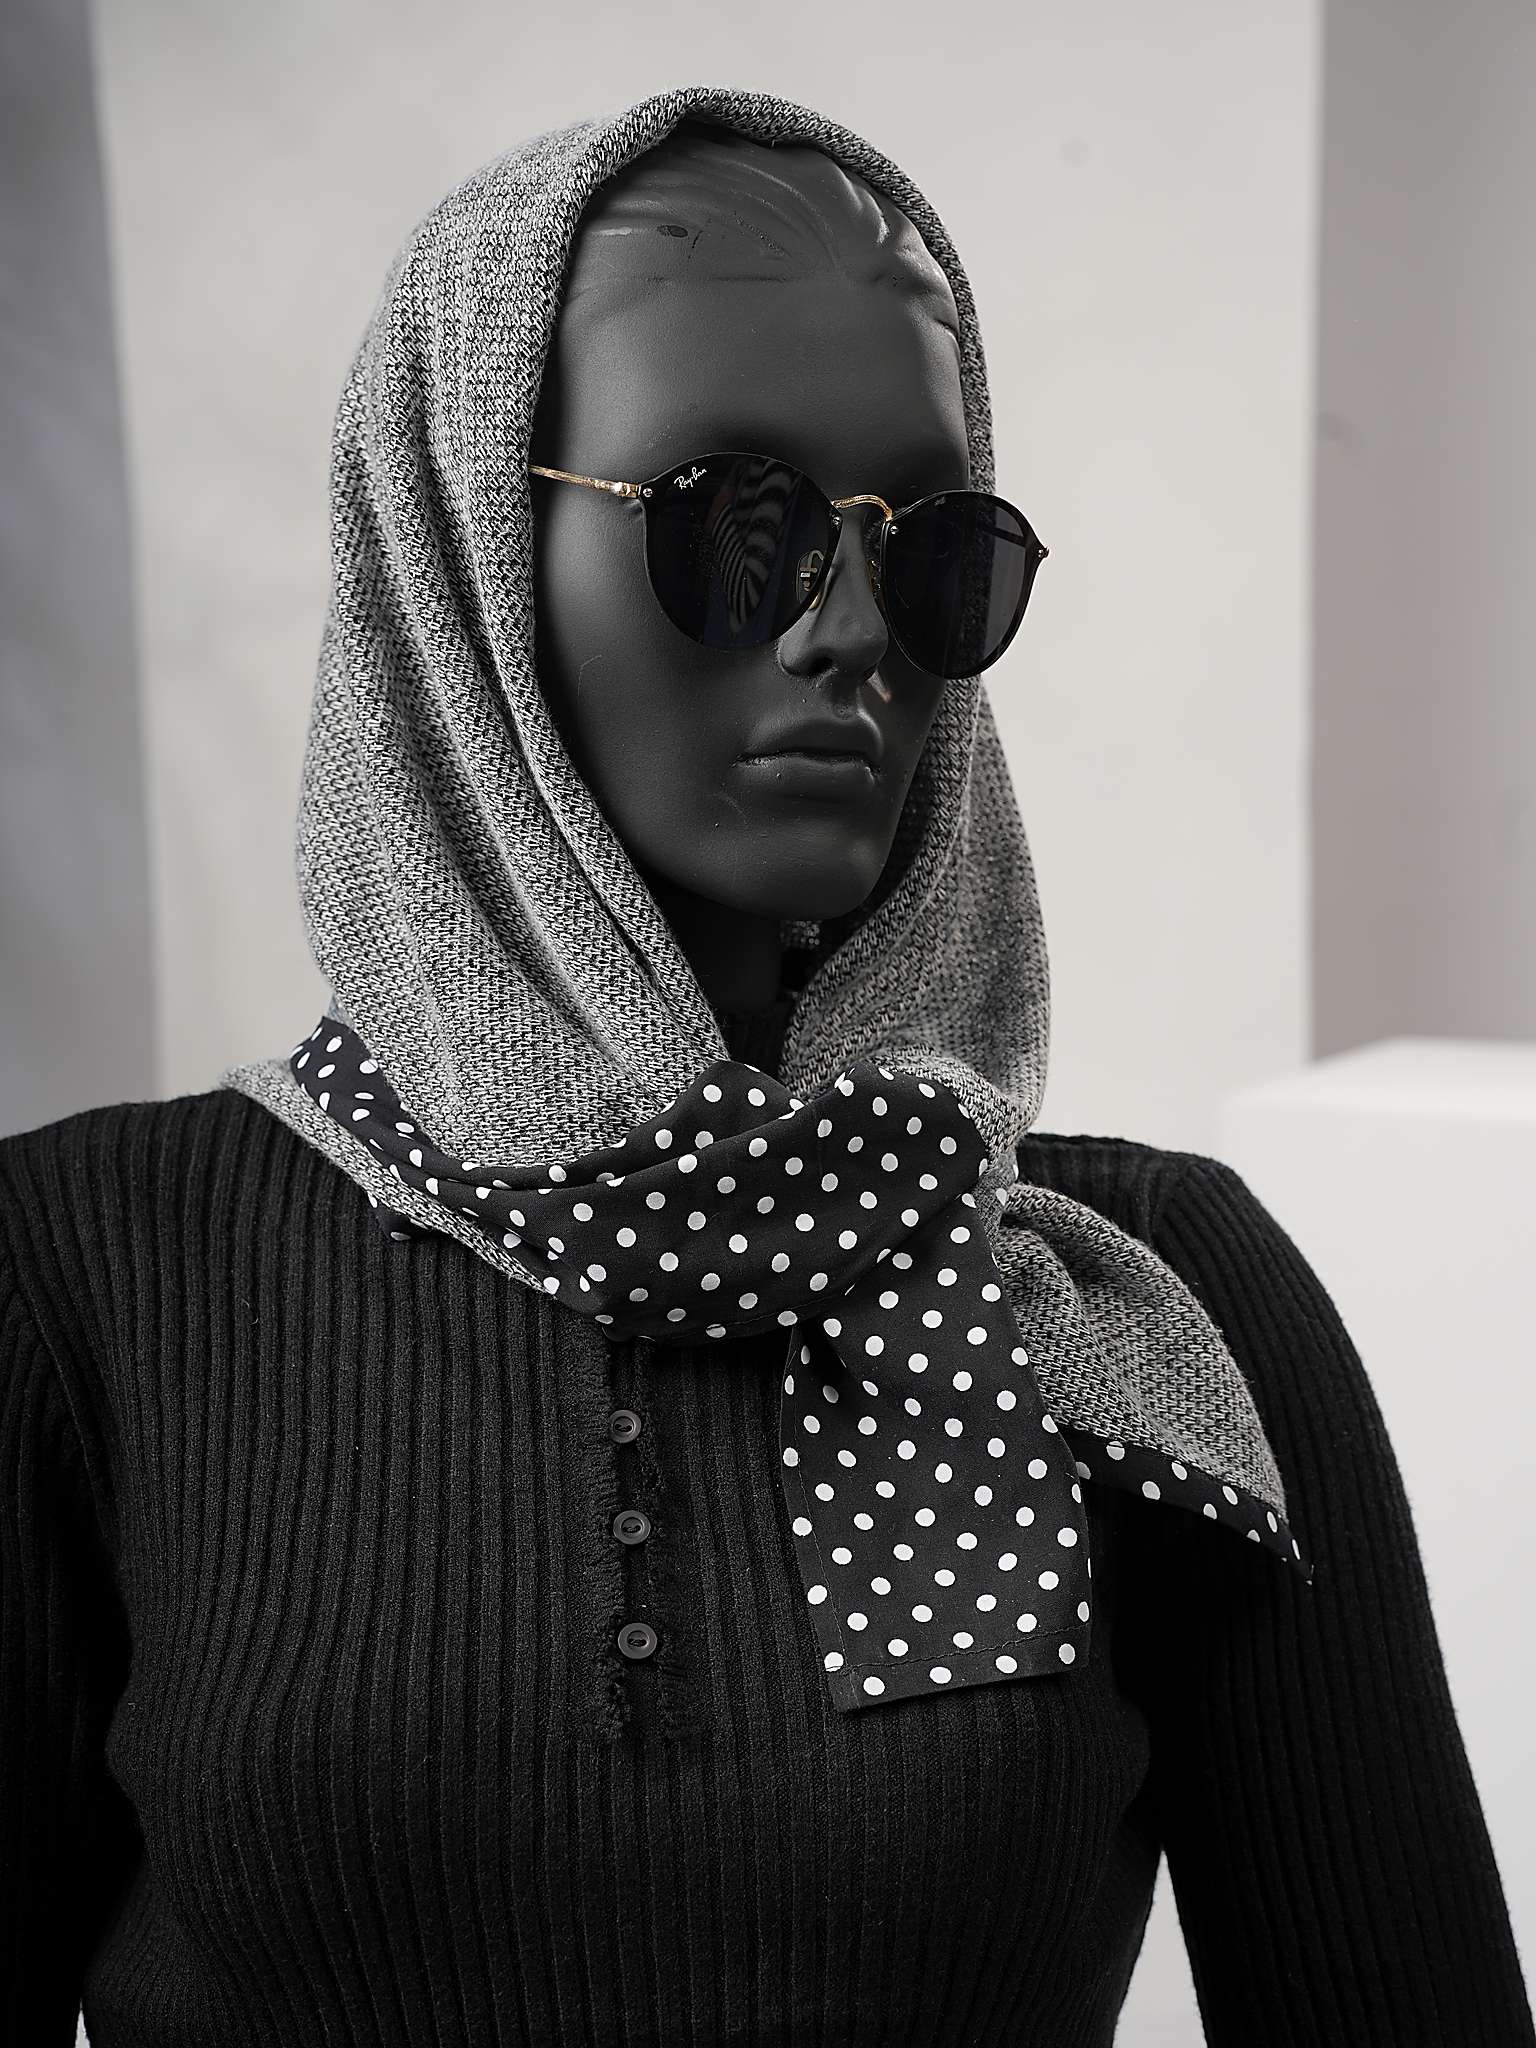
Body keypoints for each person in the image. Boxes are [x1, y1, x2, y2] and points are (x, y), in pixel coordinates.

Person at [2, 83, 1531, 2048]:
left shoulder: (1139, 1309)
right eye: (740, 523)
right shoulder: (94, 1277)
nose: (849, 633)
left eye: (934, 548)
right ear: (463, 552)